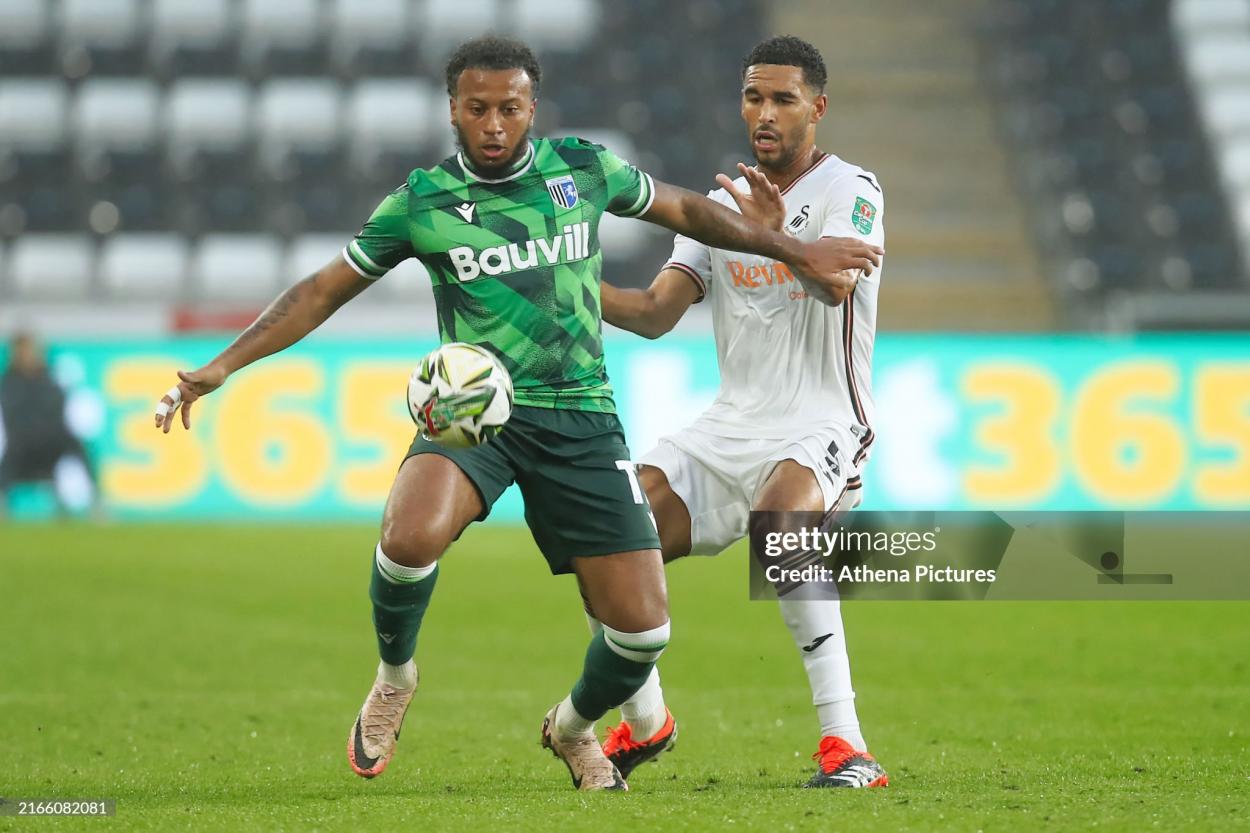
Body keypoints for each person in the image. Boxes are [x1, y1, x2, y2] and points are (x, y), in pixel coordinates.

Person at [152, 36, 882, 792]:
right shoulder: (423, 202)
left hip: (608, 419)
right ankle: (396, 676)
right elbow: (320, 289)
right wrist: (223, 365)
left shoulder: (591, 169)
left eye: (509, 108)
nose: (494, 124)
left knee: (652, 624)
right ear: (454, 112)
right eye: (477, 109)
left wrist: (785, 245)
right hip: (480, 409)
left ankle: (585, 728)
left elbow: (713, 223)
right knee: (409, 536)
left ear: (532, 108)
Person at [598, 35, 890, 789]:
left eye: (783, 98)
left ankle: (847, 747)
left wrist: (776, 232)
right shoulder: (718, 206)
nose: (763, 113)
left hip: (822, 420)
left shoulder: (852, 190)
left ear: (817, 108)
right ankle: (645, 721)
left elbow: (834, 284)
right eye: (753, 97)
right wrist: (566, 285)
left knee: (780, 529)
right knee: (608, 533)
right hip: (728, 424)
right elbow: (657, 311)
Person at [0, 331, 98, 519]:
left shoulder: (49, 377)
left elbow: (58, 410)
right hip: (22, 445)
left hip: (51, 442)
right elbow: (14, 417)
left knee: (77, 445)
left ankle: (97, 502)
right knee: (10, 456)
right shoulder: (9, 382)